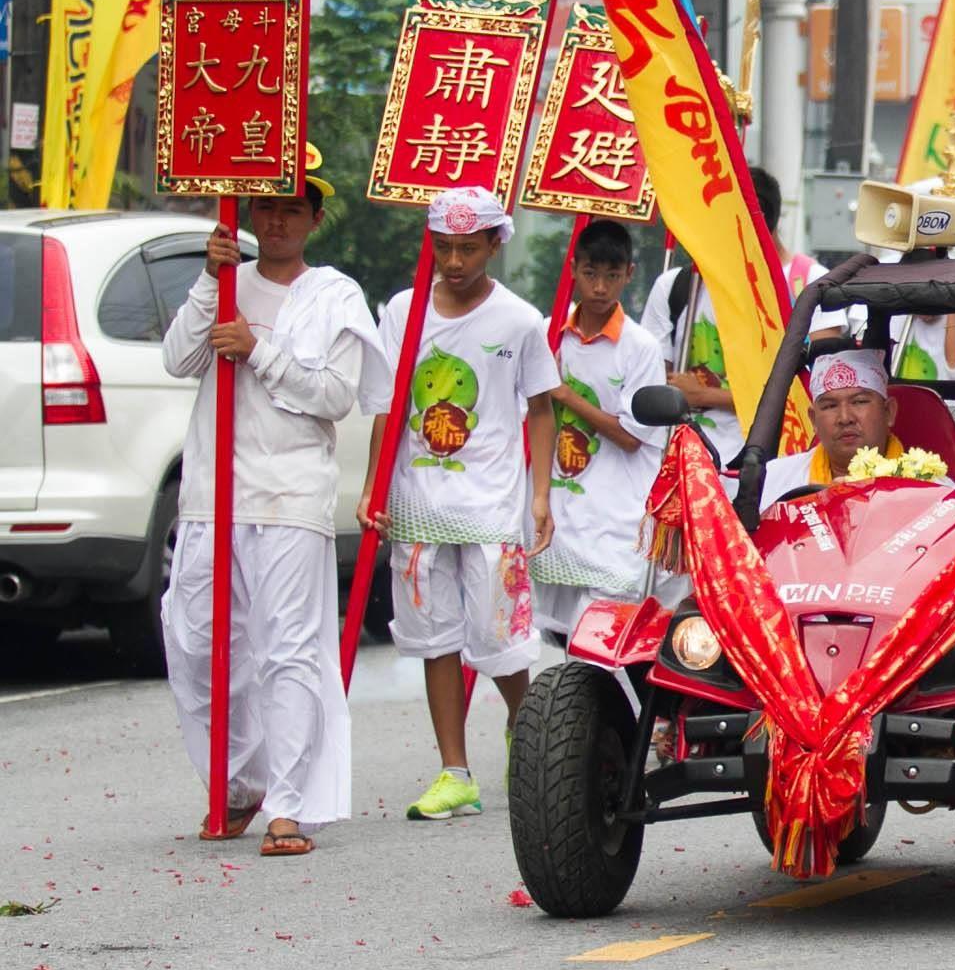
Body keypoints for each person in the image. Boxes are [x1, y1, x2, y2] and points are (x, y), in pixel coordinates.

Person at [161, 165, 386, 857]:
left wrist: (261, 352)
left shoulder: (335, 295)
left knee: (286, 648)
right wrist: (208, 279)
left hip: (290, 494)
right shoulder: (226, 283)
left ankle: (288, 804)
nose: (278, 220)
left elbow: (336, 395)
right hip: (211, 491)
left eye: (293, 209)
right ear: (251, 213)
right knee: (191, 636)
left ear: (315, 219)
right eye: (267, 207)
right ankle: (239, 779)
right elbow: (177, 359)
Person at [359, 187, 558, 822]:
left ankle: (529, 740)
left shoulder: (521, 322)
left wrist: (541, 496)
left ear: (495, 244)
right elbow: (388, 407)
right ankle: (455, 772)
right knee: (434, 640)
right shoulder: (403, 312)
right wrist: (373, 487)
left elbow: (542, 408)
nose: (453, 261)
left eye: (467, 249)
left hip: (491, 509)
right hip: (417, 505)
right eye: (442, 247)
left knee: (499, 642)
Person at [638, 167, 844, 465]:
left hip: (776, 464)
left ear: (758, 224)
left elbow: (814, 391)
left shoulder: (811, 283)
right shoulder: (677, 286)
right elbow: (660, 384)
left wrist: (704, 396)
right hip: (691, 464)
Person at [531, 220, 670, 639]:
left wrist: (565, 394)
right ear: (573, 269)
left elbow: (632, 436)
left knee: (604, 644)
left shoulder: (640, 346)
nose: (599, 287)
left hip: (617, 525)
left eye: (612, 276)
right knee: (564, 642)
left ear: (629, 274)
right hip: (561, 519)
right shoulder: (547, 333)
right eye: (591, 274)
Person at [757, 349, 938, 507]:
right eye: (830, 406)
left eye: (859, 402)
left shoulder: (931, 485)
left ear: (888, 412)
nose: (845, 418)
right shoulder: (773, 479)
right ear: (813, 420)